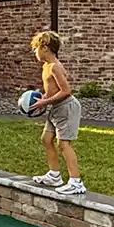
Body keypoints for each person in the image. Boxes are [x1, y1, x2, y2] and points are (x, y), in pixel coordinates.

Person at [28, 30, 86, 195]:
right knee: (46, 139)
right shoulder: (46, 66)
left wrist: (45, 102)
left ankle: (76, 182)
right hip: (56, 108)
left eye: (36, 48)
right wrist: (42, 100)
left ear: (45, 48)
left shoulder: (55, 67)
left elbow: (66, 91)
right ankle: (54, 175)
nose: (35, 52)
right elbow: (51, 90)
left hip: (67, 107)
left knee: (64, 144)